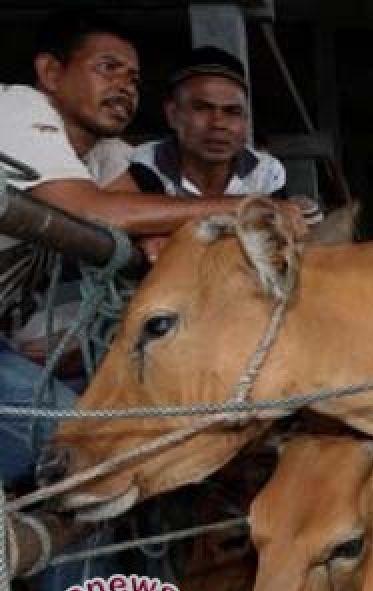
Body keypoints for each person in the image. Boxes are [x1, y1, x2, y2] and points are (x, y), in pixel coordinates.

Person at [0, 11, 306, 488]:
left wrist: (162, 240)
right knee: (88, 446)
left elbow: (143, 224)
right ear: (51, 73)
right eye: (108, 68)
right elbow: (96, 210)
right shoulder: (16, 108)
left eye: (133, 77)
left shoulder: (102, 153)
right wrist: (250, 208)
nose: (125, 85)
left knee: (121, 430)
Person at [125, 47, 289, 199]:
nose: (218, 123)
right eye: (202, 108)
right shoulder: (143, 164)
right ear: (172, 114)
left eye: (232, 111)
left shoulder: (266, 173)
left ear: (246, 120)